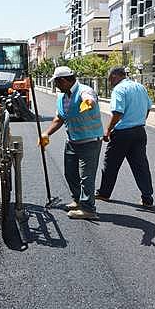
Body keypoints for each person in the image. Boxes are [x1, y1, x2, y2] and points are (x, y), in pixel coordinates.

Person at [39, 66, 103, 220]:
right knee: (70, 173)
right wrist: (47, 133)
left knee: (86, 176)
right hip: (72, 141)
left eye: (56, 82)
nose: (55, 85)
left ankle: (89, 209)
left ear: (63, 80)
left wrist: (88, 103)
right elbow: (59, 118)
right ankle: (78, 200)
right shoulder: (61, 97)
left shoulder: (83, 90)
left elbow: (90, 99)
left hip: (90, 141)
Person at [96, 66, 154, 208]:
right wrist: (140, 121)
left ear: (115, 76)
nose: (109, 83)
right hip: (139, 132)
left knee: (110, 164)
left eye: (110, 79)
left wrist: (108, 130)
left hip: (122, 134)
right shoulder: (140, 87)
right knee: (141, 166)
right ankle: (147, 198)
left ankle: (104, 193)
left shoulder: (119, 89)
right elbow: (148, 107)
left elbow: (117, 112)